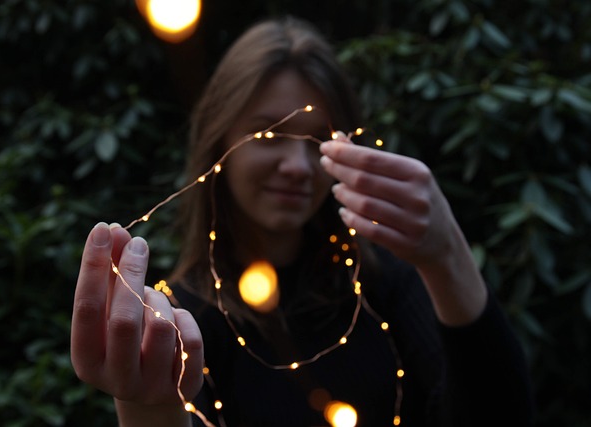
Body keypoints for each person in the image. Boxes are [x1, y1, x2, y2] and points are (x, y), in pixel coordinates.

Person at [70, 16, 534, 427]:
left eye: (317, 140)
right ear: (219, 143)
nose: (297, 164)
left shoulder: (383, 287)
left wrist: (447, 256)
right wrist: (149, 411)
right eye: (270, 133)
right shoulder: (183, 322)